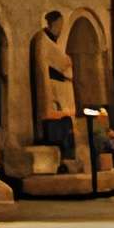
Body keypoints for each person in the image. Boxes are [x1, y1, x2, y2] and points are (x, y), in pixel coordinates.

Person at [29, 9, 77, 161]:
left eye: (63, 25)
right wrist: (66, 61)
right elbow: (60, 63)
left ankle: (66, 153)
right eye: (59, 24)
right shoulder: (43, 40)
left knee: (66, 121)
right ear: (52, 23)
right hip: (52, 87)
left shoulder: (52, 41)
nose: (61, 28)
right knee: (56, 123)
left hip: (61, 88)